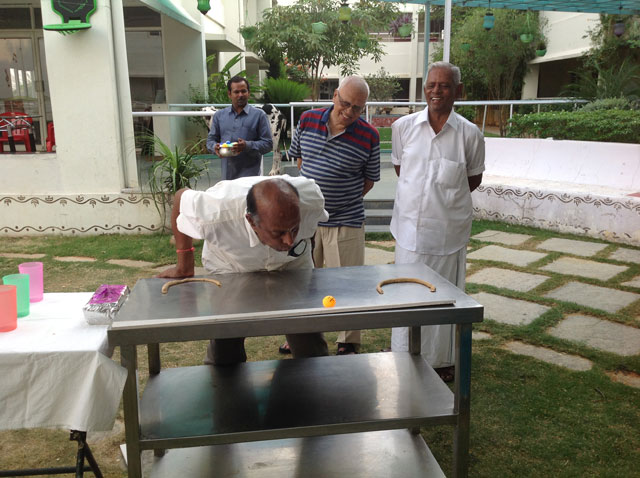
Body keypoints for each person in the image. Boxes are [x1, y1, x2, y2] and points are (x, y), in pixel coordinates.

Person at [157, 176, 330, 365]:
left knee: (306, 329)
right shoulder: (215, 211)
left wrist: (308, 270)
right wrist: (184, 266)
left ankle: (314, 373)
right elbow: (180, 197)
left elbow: (310, 231)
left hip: (291, 263)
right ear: (251, 221)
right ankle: (223, 380)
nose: (289, 241)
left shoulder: (312, 199)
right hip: (230, 264)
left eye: (294, 229)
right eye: (278, 232)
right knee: (227, 336)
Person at [389, 62, 485, 382]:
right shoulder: (403, 127)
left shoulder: (470, 134)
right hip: (408, 232)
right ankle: (403, 356)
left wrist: (439, 200)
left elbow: (472, 179)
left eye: (444, 85)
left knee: (443, 298)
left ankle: (442, 361)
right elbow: (402, 170)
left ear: (458, 91)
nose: (436, 91)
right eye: (431, 84)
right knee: (406, 297)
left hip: (448, 233)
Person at [286, 75, 381, 355]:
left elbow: (369, 180)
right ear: (335, 96)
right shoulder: (307, 120)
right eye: (345, 104)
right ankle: (302, 335)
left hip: (347, 219)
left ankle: (348, 340)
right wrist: (316, 202)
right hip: (308, 220)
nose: (349, 112)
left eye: (357, 108)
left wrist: (341, 201)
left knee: (347, 284)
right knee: (304, 281)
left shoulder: (369, 135)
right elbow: (300, 159)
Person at [206, 76, 273, 180]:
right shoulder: (219, 116)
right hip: (227, 179)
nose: (240, 95)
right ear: (229, 94)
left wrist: (247, 145)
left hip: (250, 179)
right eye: (236, 92)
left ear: (248, 93)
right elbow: (210, 140)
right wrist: (215, 147)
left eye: (243, 91)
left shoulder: (259, 115)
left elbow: (268, 144)